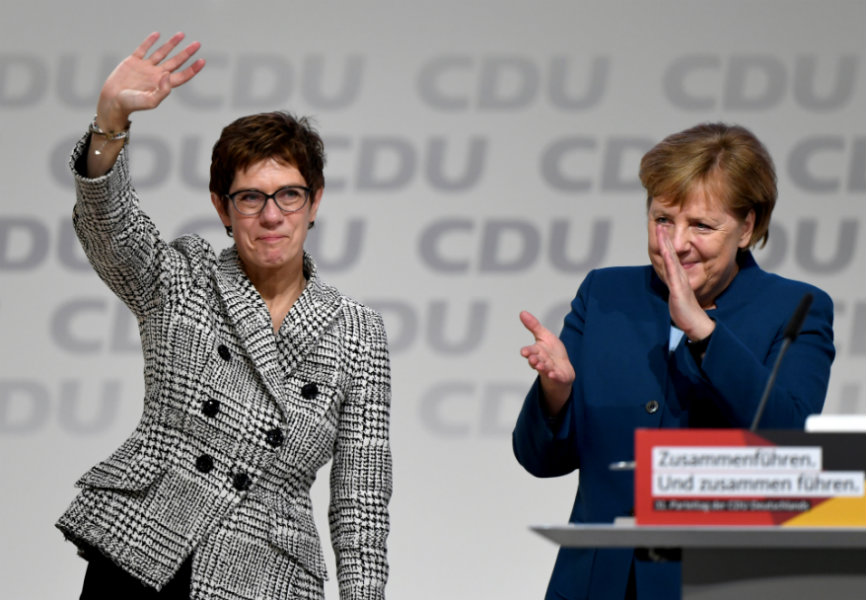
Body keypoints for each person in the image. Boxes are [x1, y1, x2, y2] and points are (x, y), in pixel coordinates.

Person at [56, 33, 392, 600]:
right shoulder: (183, 279)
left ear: (315, 203)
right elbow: (110, 230)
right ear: (221, 206)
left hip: (266, 573)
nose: (271, 215)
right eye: (250, 197)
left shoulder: (357, 332)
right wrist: (111, 119)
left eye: (289, 195)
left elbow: (361, 500)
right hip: (146, 550)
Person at [512, 122, 835, 599]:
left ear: (748, 227)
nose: (676, 243)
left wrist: (703, 332)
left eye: (702, 225)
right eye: (663, 219)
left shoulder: (796, 308)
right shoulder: (605, 294)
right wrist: (555, 393)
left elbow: (788, 442)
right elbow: (540, 459)